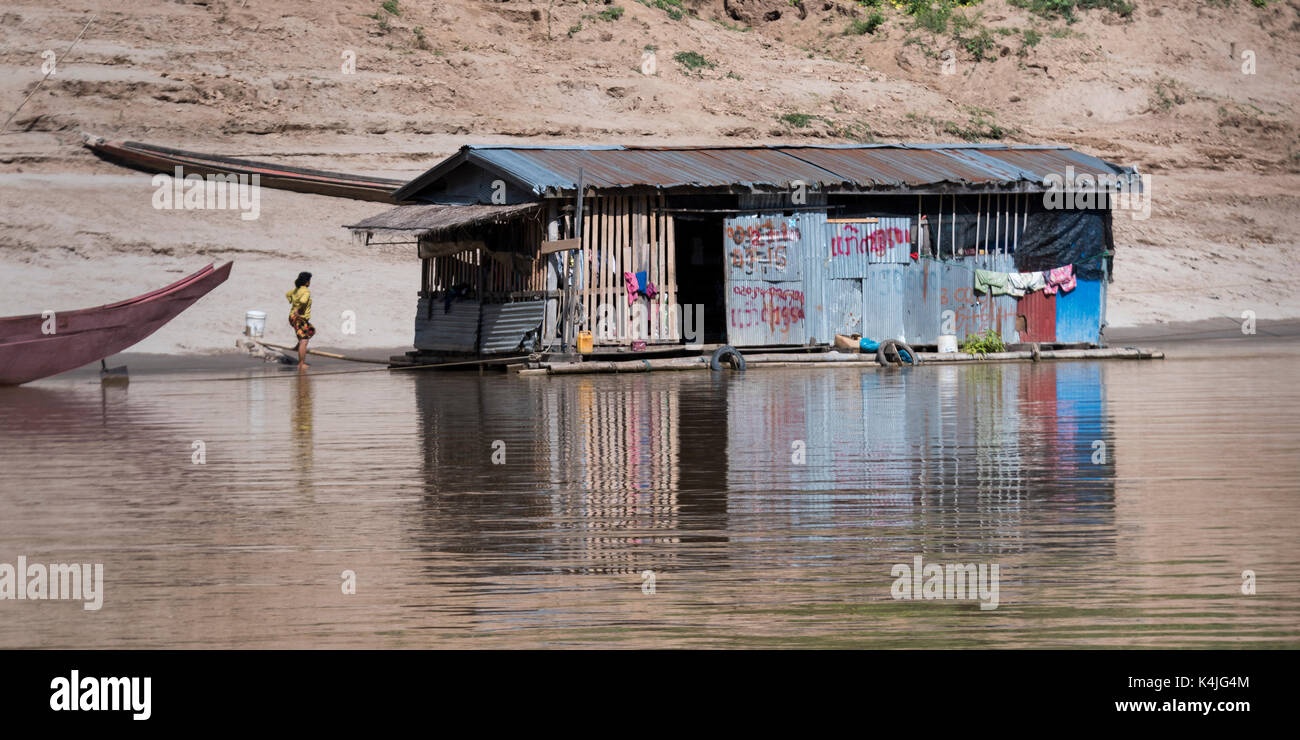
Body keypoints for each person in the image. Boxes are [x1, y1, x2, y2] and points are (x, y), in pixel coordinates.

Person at [285, 271, 314, 369]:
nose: (310, 282)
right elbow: (303, 300)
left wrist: (292, 302)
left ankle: (298, 347)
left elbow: (287, 295)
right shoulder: (306, 291)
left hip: (293, 317)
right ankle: (301, 364)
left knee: (311, 330)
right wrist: (297, 309)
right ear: (306, 282)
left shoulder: (296, 290)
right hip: (299, 318)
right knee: (304, 340)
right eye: (309, 280)